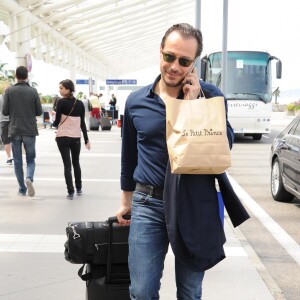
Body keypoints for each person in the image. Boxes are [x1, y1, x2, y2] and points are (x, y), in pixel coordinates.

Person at [116, 23, 248, 299]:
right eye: (169, 57)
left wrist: (195, 103)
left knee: (189, 292)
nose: (174, 66)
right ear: (160, 52)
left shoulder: (211, 96)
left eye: (184, 61)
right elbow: (129, 155)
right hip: (148, 203)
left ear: (193, 63)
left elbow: (226, 144)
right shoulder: (136, 101)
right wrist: (126, 201)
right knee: (141, 291)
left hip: (193, 200)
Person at [2, 66, 42, 197]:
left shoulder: (9, 91)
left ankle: (22, 189)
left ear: (16, 76)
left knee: (18, 161)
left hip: (14, 129)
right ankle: (29, 178)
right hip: (29, 129)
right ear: (26, 76)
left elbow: (5, 111)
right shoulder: (33, 91)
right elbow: (39, 112)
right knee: (30, 158)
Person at [52, 79, 91, 200]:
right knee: (76, 163)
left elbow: (57, 122)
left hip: (63, 137)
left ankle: (70, 191)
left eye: (61, 88)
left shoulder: (61, 102)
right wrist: (86, 140)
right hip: (76, 138)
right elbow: (82, 124)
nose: (60, 90)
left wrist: (53, 118)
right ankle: (79, 188)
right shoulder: (79, 104)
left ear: (68, 89)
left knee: (67, 165)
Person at [0, 83, 13, 164]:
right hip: (14, 121)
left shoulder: (0, 97)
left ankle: (9, 158)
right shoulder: (14, 98)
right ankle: (14, 157)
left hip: (3, 121)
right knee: (15, 140)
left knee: (6, 140)